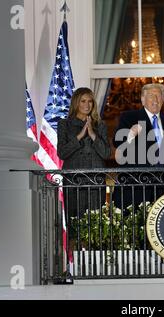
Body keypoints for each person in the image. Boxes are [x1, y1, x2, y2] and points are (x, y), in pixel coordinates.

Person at [113, 83, 164, 210]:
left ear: (163, 100)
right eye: (151, 96)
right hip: (135, 185)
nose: (156, 100)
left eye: (159, 96)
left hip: (162, 188)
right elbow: (117, 142)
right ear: (143, 99)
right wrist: (130, 134)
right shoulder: (129, 117)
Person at [57, 87, 111, 218]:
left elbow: (106, 153)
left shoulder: (100, 125)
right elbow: (62, 153)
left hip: (95, 180)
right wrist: (79, 136)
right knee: (75, 222)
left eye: (90, 101)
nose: (87, 105)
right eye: (83, 101)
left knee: (96, 222)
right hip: (74, 179)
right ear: (76, 103)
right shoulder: (65, 124)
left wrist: (93, 134)